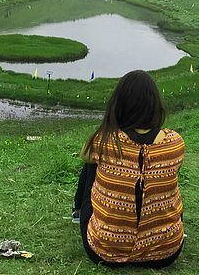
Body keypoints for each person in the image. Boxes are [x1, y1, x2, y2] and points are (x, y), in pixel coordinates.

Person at [73, 70, 185, 268]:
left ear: (119, 104)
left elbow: (84, 154)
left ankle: (77, 213)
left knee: (91, 165)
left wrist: (109, 127)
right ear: (155, 104)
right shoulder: (174, 142)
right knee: (165, 178)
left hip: (104, 251)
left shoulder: (105, 141)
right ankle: (159, 231)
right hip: (166, 253)